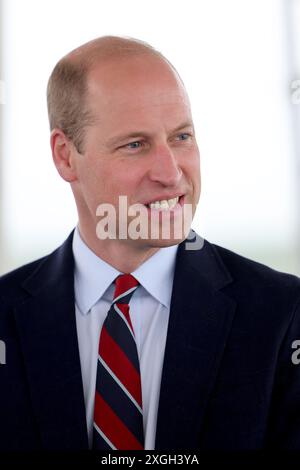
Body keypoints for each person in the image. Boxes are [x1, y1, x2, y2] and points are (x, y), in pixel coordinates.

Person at [0, 35, 300, 452]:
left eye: (181, 137)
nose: (170, 172)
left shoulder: (283, 315)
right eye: (135, 145)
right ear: (66, 156)